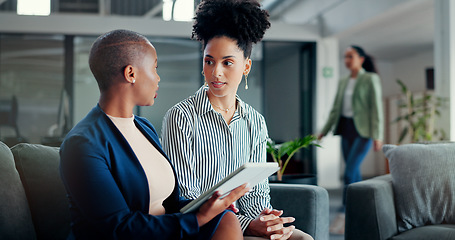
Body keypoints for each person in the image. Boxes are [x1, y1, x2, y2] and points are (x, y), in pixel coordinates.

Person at [59, 29, 250, 240]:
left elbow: (170, 204)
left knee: (226, 218)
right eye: (154, 68)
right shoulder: (83, 144)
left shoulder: (144, 127)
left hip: (165, 232)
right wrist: (198, 218)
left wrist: (210, 204)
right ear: (131, 73)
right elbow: (118, 228)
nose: (158, 78)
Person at [161, 1, 313, 240]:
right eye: (209, 61)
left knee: (303, 239)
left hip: (243, 221)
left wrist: (264, 219)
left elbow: (257, 191)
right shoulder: (181, 116)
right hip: (204, 224)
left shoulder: (255, 121)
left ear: (246, 66)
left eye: (227, 62)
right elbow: (186, 197)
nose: (216, 72)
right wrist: (247, 224)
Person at [318, 45, 384, 234]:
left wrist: (378, 135)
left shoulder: (370, 79)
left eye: (350, 56)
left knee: (349, 172)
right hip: (346, 129)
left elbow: (376, 108)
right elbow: (335, 109)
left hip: (364, 131)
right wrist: (324, 131)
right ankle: (360, 209)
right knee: (353, 176)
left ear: (361, 59)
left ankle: (344, 212)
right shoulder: (343, 81)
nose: (347, 60)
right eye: (345, 57)